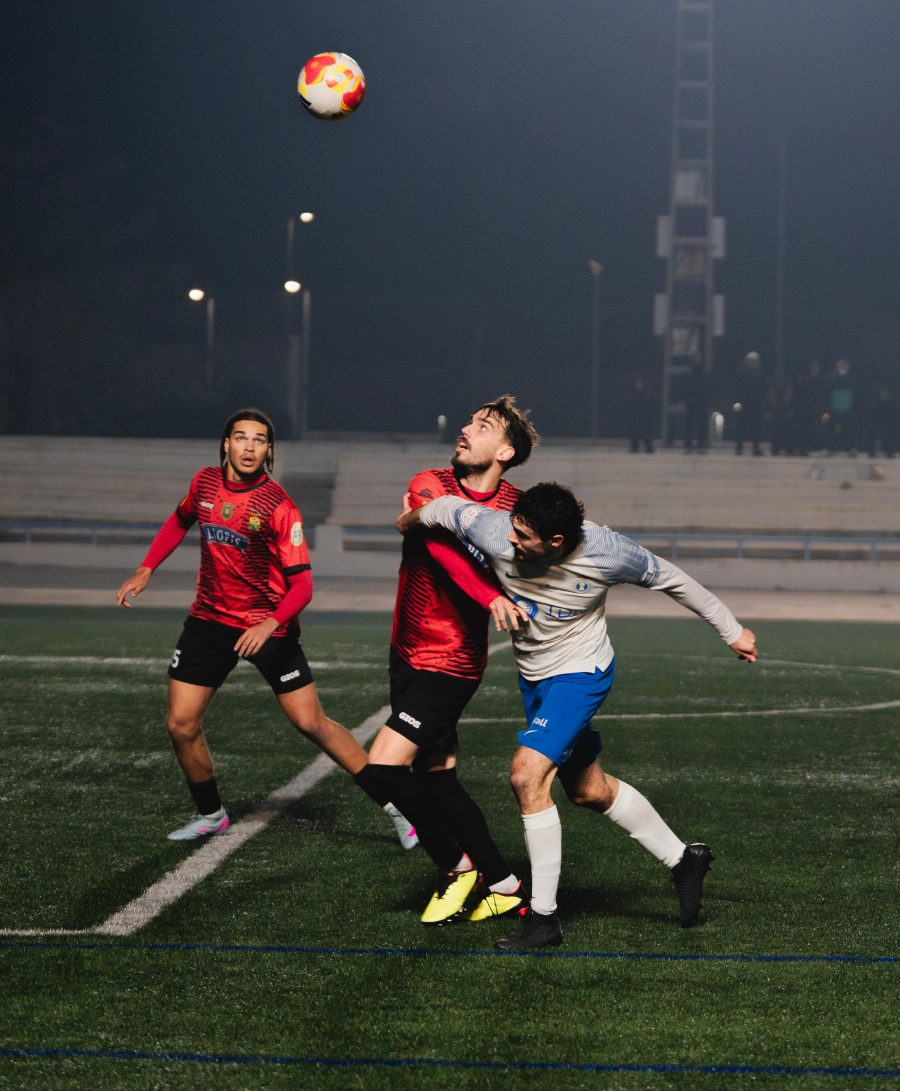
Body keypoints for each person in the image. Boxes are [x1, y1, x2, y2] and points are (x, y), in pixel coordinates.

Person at [398, 481, 757, 950]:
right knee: (588, 790)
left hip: (581, 674)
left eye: (523, 535)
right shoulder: (491, 527)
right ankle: (683, 859)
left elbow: (675, 580)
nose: (510, 539)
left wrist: (732, 631)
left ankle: (544, 919)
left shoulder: (608, 552)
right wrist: (406, 520)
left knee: (526, 776)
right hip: (535, 679)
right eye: (513, 527)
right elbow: (440, 509)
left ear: (556, 541)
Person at [116, 408, 410, 844]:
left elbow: (303, 585)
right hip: (208, 621)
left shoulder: (278, 506)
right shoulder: (204, 484)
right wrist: (146, 568)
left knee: (311, 722)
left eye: (259, 440)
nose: (249, 447)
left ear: (269, 450)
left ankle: (397, 808)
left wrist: (269, 623)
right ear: (226, 444)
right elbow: (179, 520)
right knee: (181, 724)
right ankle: (212, 815)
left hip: (268, 627)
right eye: (241, 437)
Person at [353, 396, 542, 925]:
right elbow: (440, 550)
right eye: (469, 422)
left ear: (505, 451)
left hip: (452, 660)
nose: (465, 429)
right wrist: (490, 595)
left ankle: (455, 867)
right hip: (405, 649)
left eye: (482, 427)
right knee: (437, 777)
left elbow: (537, 565)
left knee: (383, 767)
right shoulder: (430, 483)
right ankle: (503, 884)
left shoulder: (517, 509)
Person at [733, 351, 768, 455]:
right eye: (751, 361)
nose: (753, 363)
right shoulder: (741, 373)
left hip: (756, 404)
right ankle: (739, 448)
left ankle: (755, 448)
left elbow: (764, 388)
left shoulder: (760, 374)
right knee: (741, 426)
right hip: (743, 403)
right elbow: (736, 388)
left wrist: (761, 399)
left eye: (755, 361)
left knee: (756, 428)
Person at [683, 350, 710, 452]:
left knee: (702, 424)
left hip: (702, 401)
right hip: (691, 401)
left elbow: (708, 387)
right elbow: (685, 388)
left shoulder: (705, 372)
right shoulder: (689, 373)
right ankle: (688, 444)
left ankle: (701, 444)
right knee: (689, 423)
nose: (697, 359)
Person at [624, 377, 655, 453]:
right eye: (637, 383)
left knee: (648, 445)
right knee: (634, 446)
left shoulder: (648, 395)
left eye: (640, 383)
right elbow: (627, 408)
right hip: (634, 422)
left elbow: (652, 408)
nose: (639, 385)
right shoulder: (630, 395)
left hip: (645, 422)